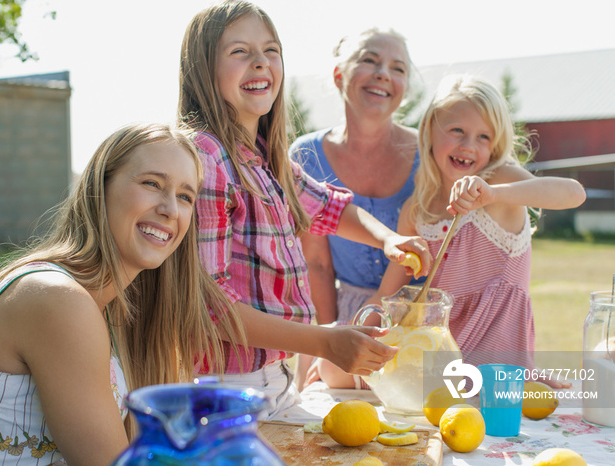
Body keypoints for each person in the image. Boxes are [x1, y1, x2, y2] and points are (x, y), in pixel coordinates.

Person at [178, 0, 431, 418]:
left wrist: (388, 238)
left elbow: (328, 209)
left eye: (271, 50)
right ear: (204, 68)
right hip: (228, 386)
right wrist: (323, 342)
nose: (260, 63)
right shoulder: (208, 156)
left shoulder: (265, 155)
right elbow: (214, 308)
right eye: (240, 51)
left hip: (272, 375)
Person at [0, 123, 245, 465]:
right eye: (152, 184)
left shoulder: (107, 310)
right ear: (100, 188)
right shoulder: (58, 299)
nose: (171, 209)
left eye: (185, 196)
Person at [319, 74, 586, 389]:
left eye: (484, 137)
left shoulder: (498, 181)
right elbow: (386, 294)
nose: (468, 146)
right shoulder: (416, 209)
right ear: (430, 130)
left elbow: (573, 193)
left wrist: (494, 194)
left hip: (493, 351)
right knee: (330, 368)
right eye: (457, 130)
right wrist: (351, 341)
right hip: (437, 350)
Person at [289, 28, 422, 390]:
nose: (383, 74)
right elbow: (316, 264)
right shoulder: (306, 156)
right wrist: (329, 342)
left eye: (398, 68)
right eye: (369, 60)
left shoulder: (431, 152)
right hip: (347, 321)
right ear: (339, 75)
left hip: (419, 318)